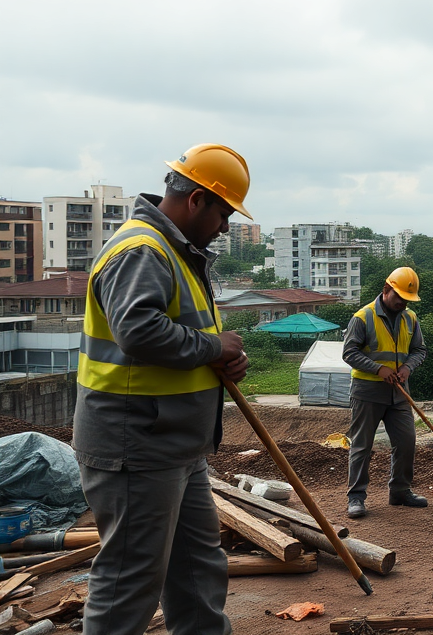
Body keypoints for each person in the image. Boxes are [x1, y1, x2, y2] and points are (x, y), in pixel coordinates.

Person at [73, 144, 253, 635]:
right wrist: (212, 345)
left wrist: (221, 356)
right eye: (223, 213)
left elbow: (187, 336)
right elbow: (140, 333)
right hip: (137, 443)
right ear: (196, 199)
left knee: (198, 569)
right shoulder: (142, 251)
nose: (224, 227)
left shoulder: (177, 252)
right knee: (129, 581)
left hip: (176, 444)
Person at [343, 266, 429, 518]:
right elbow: (349, 353)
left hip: (399, 392)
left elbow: (419, 351)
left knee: (406, 442)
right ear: (386, 290)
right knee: (362, 446)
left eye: (407, 300)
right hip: (368, 392)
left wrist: (407, 368)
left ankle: (400, 491)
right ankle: (356, 497)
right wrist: (377, 369)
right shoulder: (363, 317)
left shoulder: (410, 318)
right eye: (399, 298)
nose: (402, 303)